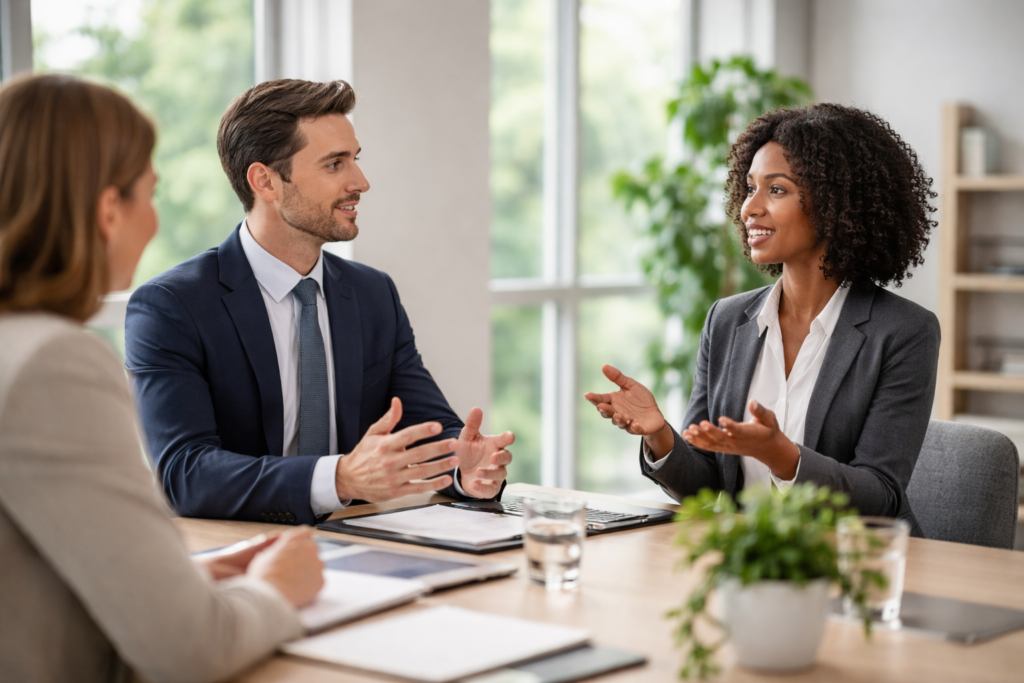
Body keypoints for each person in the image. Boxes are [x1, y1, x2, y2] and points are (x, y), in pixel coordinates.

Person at [0, 74, 325, 683]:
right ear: (106, 211)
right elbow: (191, 649)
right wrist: (278, 591)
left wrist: (186, 580)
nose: (153, 223)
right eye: (149, 195)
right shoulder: (52, 364)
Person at [125, 79, 513, 525]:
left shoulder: (372, 295)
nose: (361, 182)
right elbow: (185, 474)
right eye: (335, 164)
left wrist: (465, 468)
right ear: (265, 181)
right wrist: (339, 478)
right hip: (238, 557)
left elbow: (431, 432)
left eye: (355, 160)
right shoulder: (172, 307)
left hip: (358, 545)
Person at [585, 103, 939, 535]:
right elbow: (706, 484)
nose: (749, 208)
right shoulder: (727, 320)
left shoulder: (904, 332)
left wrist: (781, 455)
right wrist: (659, 434)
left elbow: (880, 496)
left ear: (835, 203)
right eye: (749, 187)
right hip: (752, 559)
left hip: (858, 566)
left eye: (776, 190)